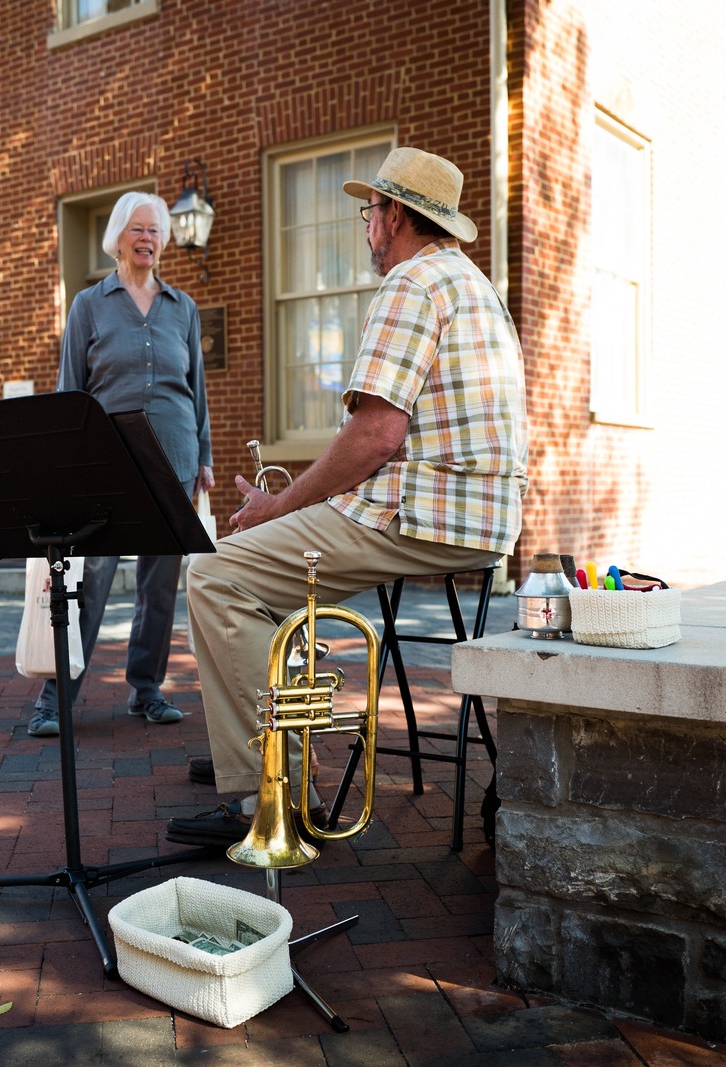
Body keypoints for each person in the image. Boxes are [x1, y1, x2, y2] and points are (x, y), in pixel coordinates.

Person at [166, 147, 528, 846]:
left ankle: (267, 790)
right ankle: (260, 742)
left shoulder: (410, 282)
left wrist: (282, 505)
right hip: (479, 515)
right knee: (257, 577)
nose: (367, 227)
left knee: (214, 572)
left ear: (394, 216)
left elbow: (376, 435)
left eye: (371, 212)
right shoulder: (473, 284)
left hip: (420, 510)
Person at [27, 192, 214, 737]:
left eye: (156, 231)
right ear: (118, 237)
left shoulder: (183, 308)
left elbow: (196, 389)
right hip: (106, 461)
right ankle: (55, 697)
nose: (148, 239)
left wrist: (203, 456)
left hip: (174, 456)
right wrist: (69, 461)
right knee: (90, 578)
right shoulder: (90, 304)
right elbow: (70, 390)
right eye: (138, 229)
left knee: (160, 583)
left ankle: (147, 689)